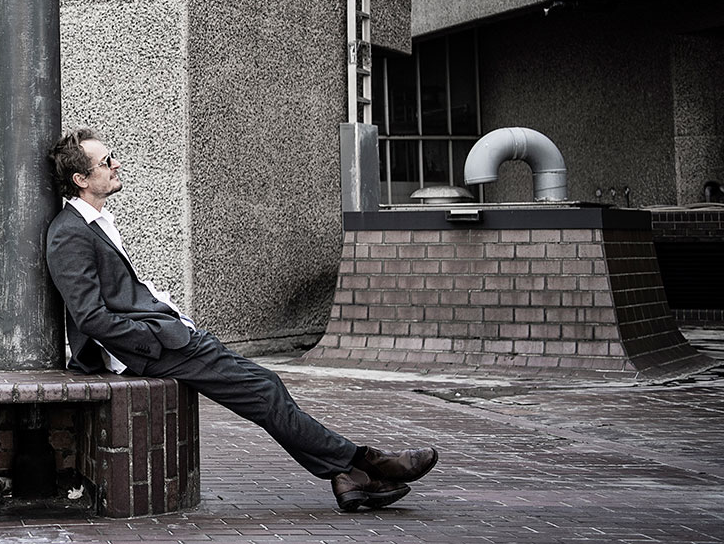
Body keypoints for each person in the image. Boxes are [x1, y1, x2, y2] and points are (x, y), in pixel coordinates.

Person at [45, 128, 439, 511]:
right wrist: (157, 339)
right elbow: (91, 317)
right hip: (152, 347)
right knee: (264, 391)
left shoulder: (96, 223)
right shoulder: (69, 233)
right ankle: (365, 461)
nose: (116, 164)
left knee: (265, 387)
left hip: (165, 336)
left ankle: (349, 475)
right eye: (106, 161)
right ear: (81, 179)